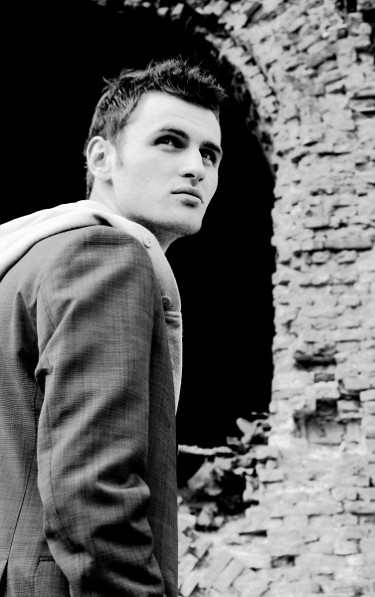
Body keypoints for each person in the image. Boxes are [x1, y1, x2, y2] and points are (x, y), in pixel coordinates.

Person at [0, 58, 225, 597]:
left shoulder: (27, 262)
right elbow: (94, 493)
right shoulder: (105, 256)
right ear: (102, 157)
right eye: (170, 141)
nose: (195, 167)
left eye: (210, 154)